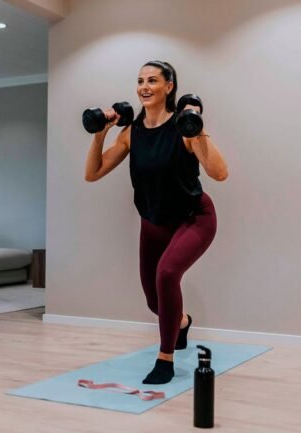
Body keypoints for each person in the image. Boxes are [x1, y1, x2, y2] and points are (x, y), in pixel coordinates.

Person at [84, 60, 229, 384]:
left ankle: (165, 360)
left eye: (152, 80)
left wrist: (196, 125)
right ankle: (181, 323)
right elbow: (92, 174)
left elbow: (220, 173)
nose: (144, 87)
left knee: (167, 274)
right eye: (140, 81)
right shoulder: (131, 132)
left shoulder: (184, 128)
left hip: (194, 218)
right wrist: (99, 136)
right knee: (155, 301)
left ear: (169, 87)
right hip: (152, 223)